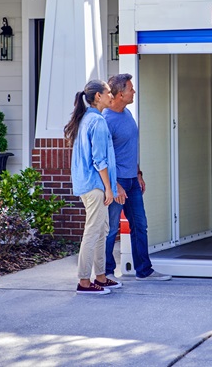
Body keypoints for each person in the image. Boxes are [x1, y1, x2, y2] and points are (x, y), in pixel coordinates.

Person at [103, 73, 171, 281]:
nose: (134, 92)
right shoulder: (106, 120)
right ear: (120, 94)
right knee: (111, 228)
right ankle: (105, 273)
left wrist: (138, 173)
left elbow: (130, 148)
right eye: (130, 89)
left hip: (132, 180)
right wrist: (114, 186)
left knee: (140, 224)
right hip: (117, 183)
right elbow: (103, 157)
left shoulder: (128, 114)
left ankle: (144, 270)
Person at [64, 79, 126, 295]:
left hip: (91, 184)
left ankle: (100, 277)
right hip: (95, 185)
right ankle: (84, 281)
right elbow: (100, 160)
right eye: (108, 92)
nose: (112, 95)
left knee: (102, 230)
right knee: (93, 231)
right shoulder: (97, 122)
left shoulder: (89, 118)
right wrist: (109, 189)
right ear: (98, 96)